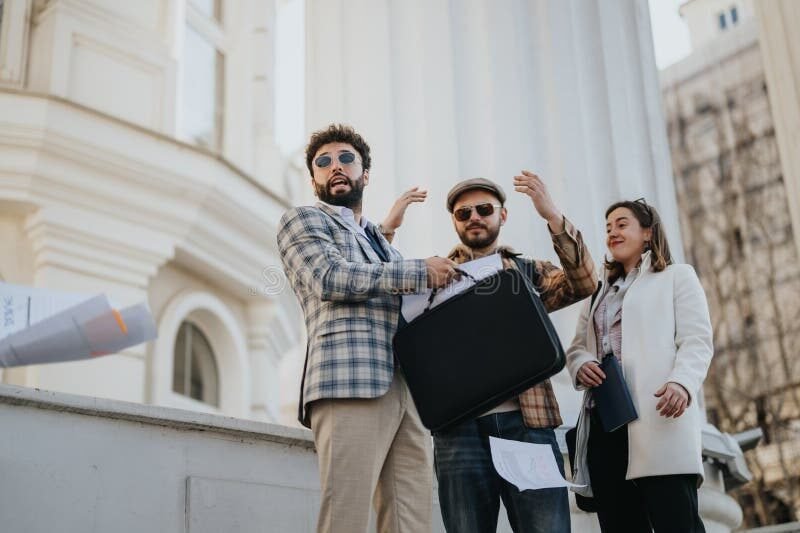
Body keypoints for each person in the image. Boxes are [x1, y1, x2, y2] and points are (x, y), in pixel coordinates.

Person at [276, 123, 458, 533]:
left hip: (406, 390)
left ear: (365, 174)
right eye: (323, 162)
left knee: (411, 520)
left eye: (346, 159)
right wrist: (418, 271)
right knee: (346, 516)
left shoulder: (383, 245)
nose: (335, 166)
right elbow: (329, 278)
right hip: (348, 381)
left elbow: (402, 299)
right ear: (314, 179)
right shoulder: (303, 220)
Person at [432, 175, 597, 533]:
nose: (474, 217)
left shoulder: (528, 272)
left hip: (528, 425)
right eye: (463, 213)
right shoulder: (434, 278)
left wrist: (552, 215)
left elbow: (584, 282)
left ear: (502, 216)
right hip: (459, 431)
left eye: (484, 209)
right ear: (455, 222)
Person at [566, 198, 713, 532]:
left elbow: (697, 341)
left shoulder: (677, 277)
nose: (612, 233)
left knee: (678, 525)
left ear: (648, 233)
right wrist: (581, 364)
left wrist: (682, 383)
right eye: (607, 228)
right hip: (605, 425)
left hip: (658, 419)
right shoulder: (597, 292)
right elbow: (577, 348)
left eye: (621, 224)